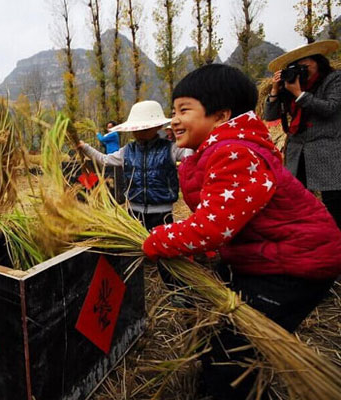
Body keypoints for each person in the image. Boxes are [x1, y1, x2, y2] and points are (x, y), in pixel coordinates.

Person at [142, 64, 341, 399]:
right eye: (172, 110)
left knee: (234, 354)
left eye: (184, 110)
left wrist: (157, 241)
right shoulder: (219, 151)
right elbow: (227, 220)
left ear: (220, 116)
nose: (173, 119)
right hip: (270, 259)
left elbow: (214, 226)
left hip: (294, 266)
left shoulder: (236, 152)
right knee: (235, 344)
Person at [79, 100, 192, 231]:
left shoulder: (170, 149)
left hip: (162, 213)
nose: (139, 133)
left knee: (160, 248)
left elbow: (192, 154)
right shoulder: (127, 151)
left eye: (145, 129)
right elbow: (104, 160)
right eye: (136, 129)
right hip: (134, 212)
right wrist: (84, 148)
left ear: (158, 127)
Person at [264, 39, 341, 229]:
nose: (301, 69)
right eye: (296, 66)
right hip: (298, 151)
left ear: (317, 61)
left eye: (304, 64)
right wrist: (275, 91)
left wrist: (299, 94)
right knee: (298, 200)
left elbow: (330, 108)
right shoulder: (291, 85)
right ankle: (308, 238)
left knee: (334, 201)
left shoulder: (334, 79)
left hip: (327, 150)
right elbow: (271, 115)